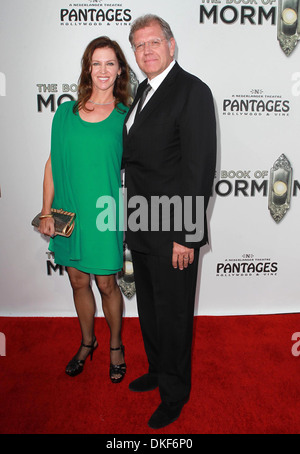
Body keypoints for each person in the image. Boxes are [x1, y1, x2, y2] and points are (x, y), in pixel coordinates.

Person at [122, 15, 216, 428]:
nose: (147, 51)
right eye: (139, 45)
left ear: (172, 45)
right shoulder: (142, 91)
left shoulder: (192, 91)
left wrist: (186, 236)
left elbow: (199, 169)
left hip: (175, 229)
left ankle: (175, 393)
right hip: (140, 224)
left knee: (175, 313)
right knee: (151, 310)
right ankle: (159, 370)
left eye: (154, 42)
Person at [39, 36, 130, 383]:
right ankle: (88, 342)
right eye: (96, 63)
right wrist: (46, 211)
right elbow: (51, 164)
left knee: (107, 284)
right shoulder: (65, 113)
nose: (103, 70)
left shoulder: (126, 117)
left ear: (120, 69)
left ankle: (116, 346)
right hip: (67, 213)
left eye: (110, 63)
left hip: (105, 215)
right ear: (87, 68)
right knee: (78, 281)